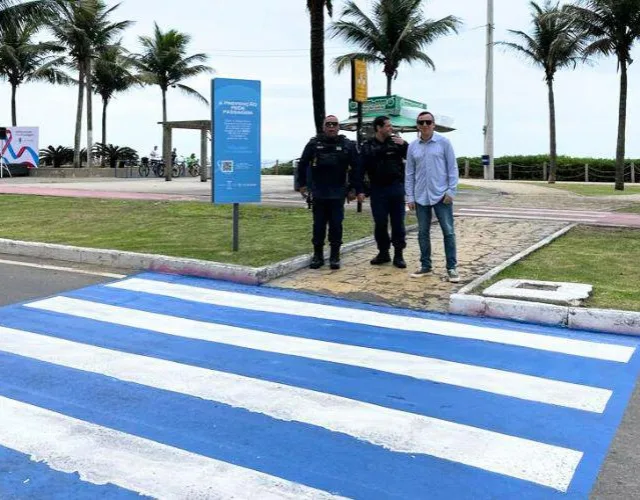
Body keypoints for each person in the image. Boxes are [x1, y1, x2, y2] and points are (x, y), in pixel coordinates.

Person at [297, 115, 362, 270]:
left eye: (334, 124)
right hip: (319, 192)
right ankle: (318, 256)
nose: (331, 127)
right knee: (318, 226)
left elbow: (357, 168)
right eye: (328, 124)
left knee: (336, 226)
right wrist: (302, 185)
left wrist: (354, 188)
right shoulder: (314, 144)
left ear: (338, 127)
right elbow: (303, 163)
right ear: (323, 127)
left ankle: (334, 256)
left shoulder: (347, 145)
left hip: (338, 193)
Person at [405, 111, 460, 282]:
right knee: (422, 232)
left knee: (448, 232)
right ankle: (425, 265)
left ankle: (451, 267)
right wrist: (410, 196)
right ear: (417, 125)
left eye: (428, 122)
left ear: (434, 124)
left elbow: (452, 168)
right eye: (421, 122)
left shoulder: (444, 143)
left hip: (441, 195)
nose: (425, 125)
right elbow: (409, 173)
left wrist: (451, 191)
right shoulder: (413, 146)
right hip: (421, 196)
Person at [361, 115, 409, 269]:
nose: (391, 128)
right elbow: (360, 169)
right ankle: (383, 253)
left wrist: (406, 145)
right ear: (378, 128)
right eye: (388, 126)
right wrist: (360, 189)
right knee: (380, 223)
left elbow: (413, 157)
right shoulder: (367, 146)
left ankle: (399, 255)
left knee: (398, 223)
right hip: (378, 189)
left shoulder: (397, 143)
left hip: (396, 187)